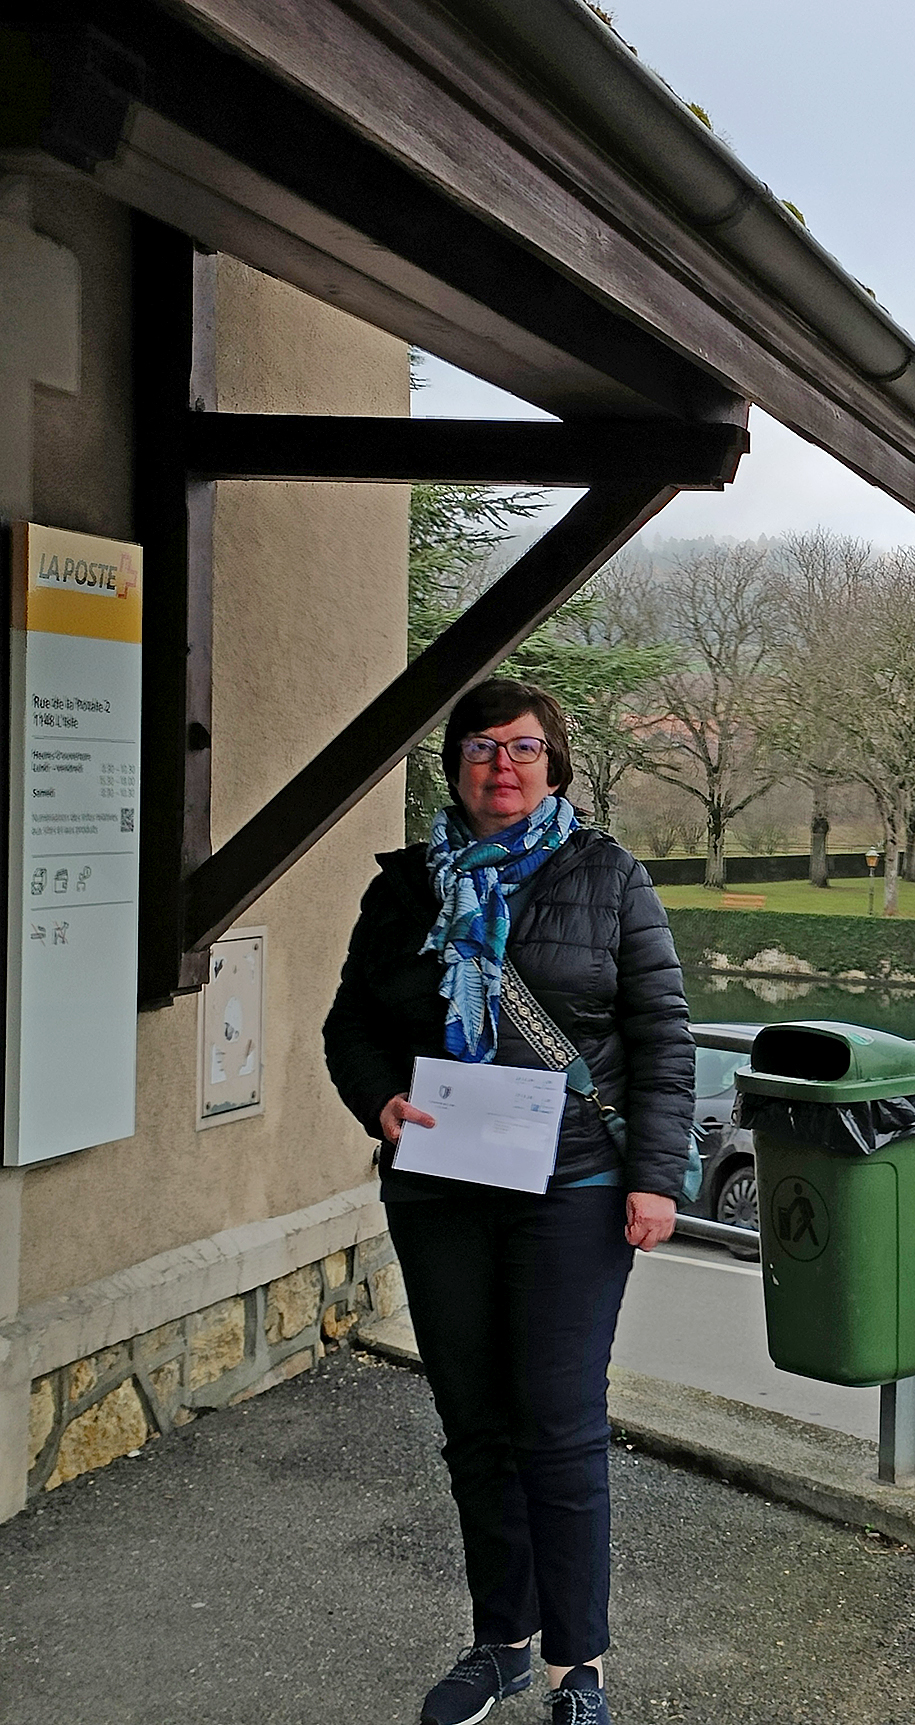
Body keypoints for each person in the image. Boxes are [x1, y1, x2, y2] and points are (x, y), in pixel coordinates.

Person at [325, 678, 693, 1725]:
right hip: (442, 1190)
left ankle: (581, 1668)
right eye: (482, 747)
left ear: (555, 765)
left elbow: (662, 1039)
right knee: (475, 1427)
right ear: (454, 767)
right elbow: (348, 1027)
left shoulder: (607, 875)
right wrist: (380, 1103)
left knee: (559, 1426)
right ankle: (502, 1644)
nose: (503, 766)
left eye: (524, 748)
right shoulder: (404, 892)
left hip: (570, 1191)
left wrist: (653, 1180)